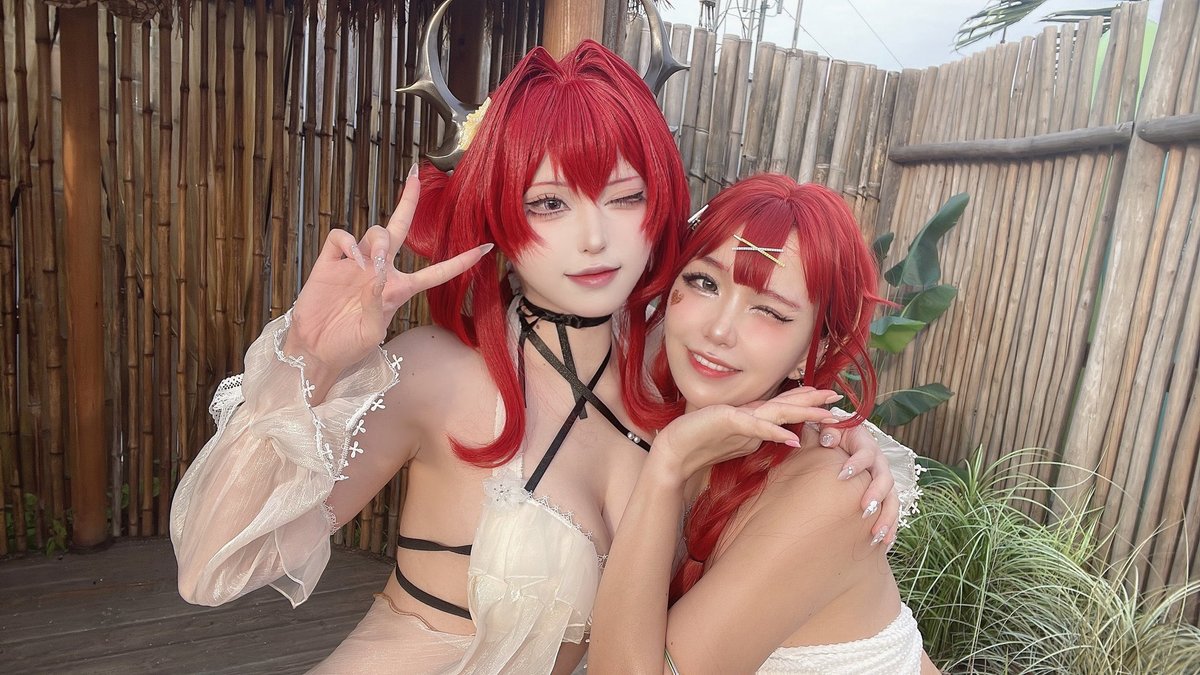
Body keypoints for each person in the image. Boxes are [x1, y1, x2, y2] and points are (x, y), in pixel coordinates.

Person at [170, 8, 916, 673]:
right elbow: (212, 571)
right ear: (498, 212)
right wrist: (308, 359)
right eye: (550, 203)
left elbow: (767, 328)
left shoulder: (676, 369)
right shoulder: (434, 375)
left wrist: (838, 435)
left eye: (625, 197)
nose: (594, 238)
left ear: (659, 206)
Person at [590, 175, 938, 674]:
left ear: (812, 350)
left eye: (770, 311)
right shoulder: (642, 387)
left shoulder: (830, 492)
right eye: (705, 283)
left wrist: (667, 465)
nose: (718, 329)